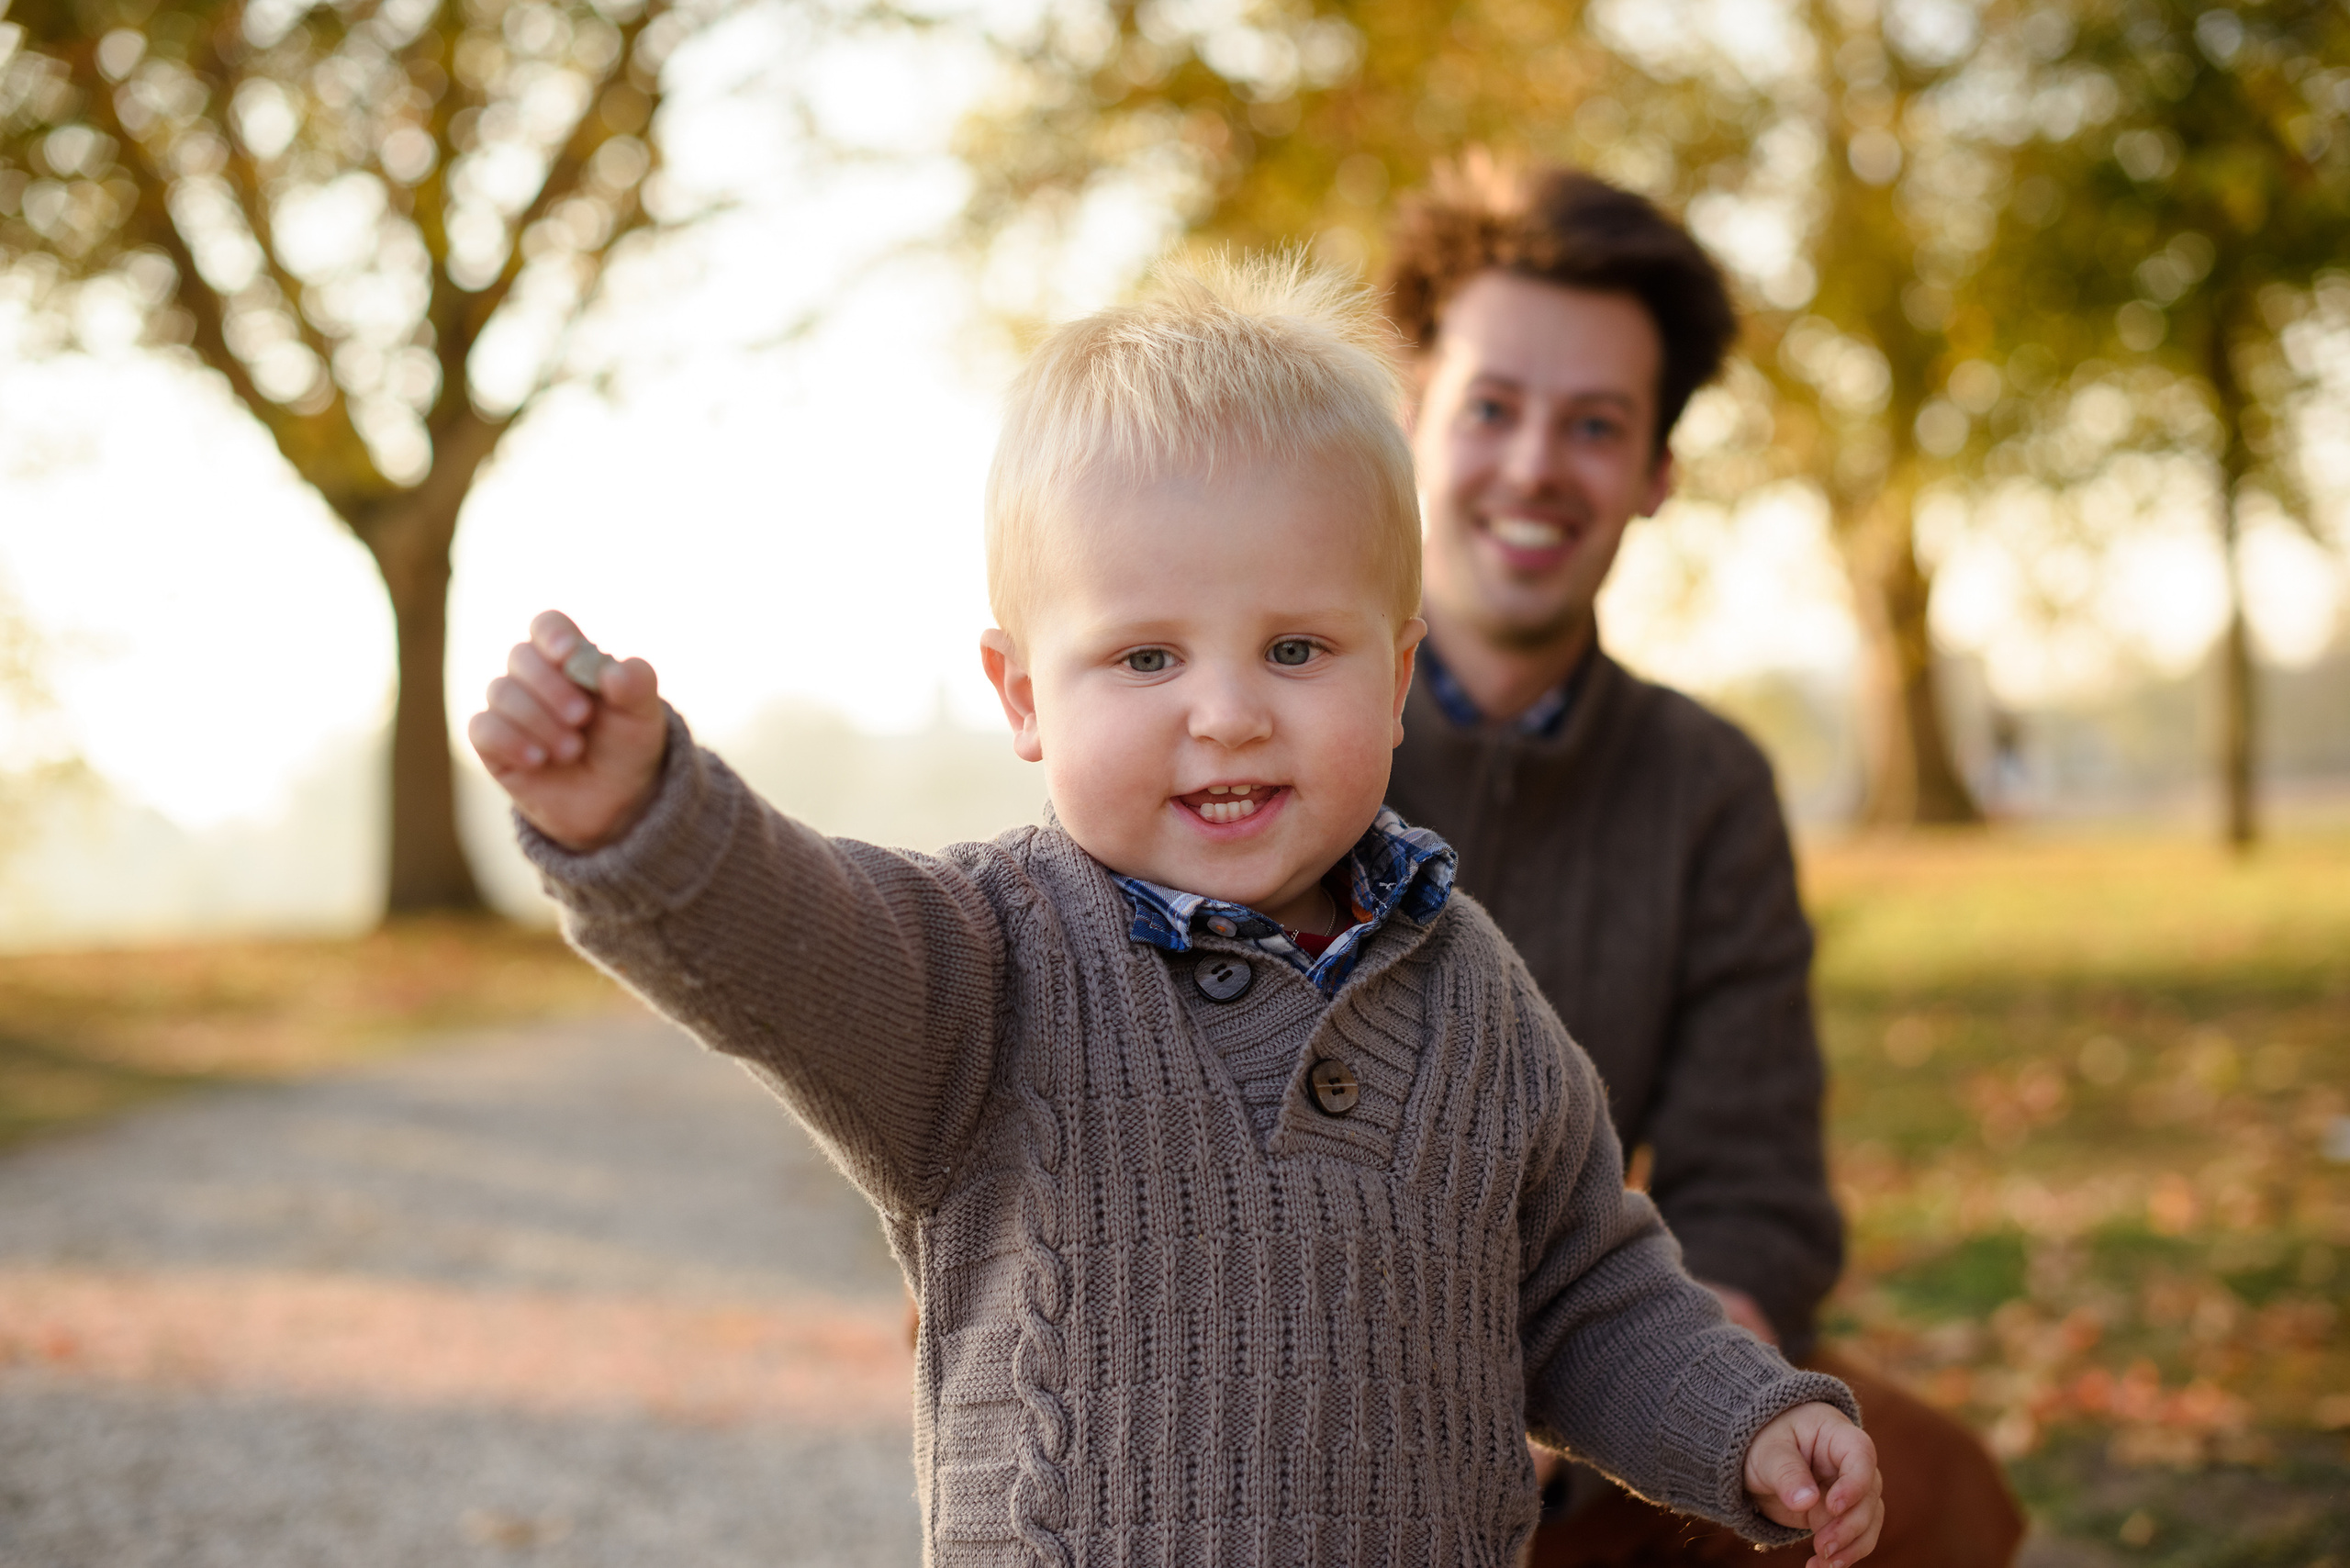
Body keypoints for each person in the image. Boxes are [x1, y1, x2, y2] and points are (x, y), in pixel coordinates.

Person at [468, 256, 1885, 1565]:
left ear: (1394, 682)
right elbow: (786, 936)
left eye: (1294, 648)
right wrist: (635, 810)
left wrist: (1744, 1420)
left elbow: (1584, 1292)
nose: (1226, 715)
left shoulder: (1471, 990)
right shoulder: (983, 962)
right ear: (1024, 693)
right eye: (1145, 656)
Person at [1378, 165, 2026, 1566]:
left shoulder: (1707, 788)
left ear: (1656, 473)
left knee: (1934, 1493)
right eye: (1493, 407)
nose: (1538, 464)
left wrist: (1678, 1364)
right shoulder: (1255, 732)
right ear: (1412, 417)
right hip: (1280, 1421)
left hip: (1593, 1430)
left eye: (1596, 425)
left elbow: (1755, 1189)